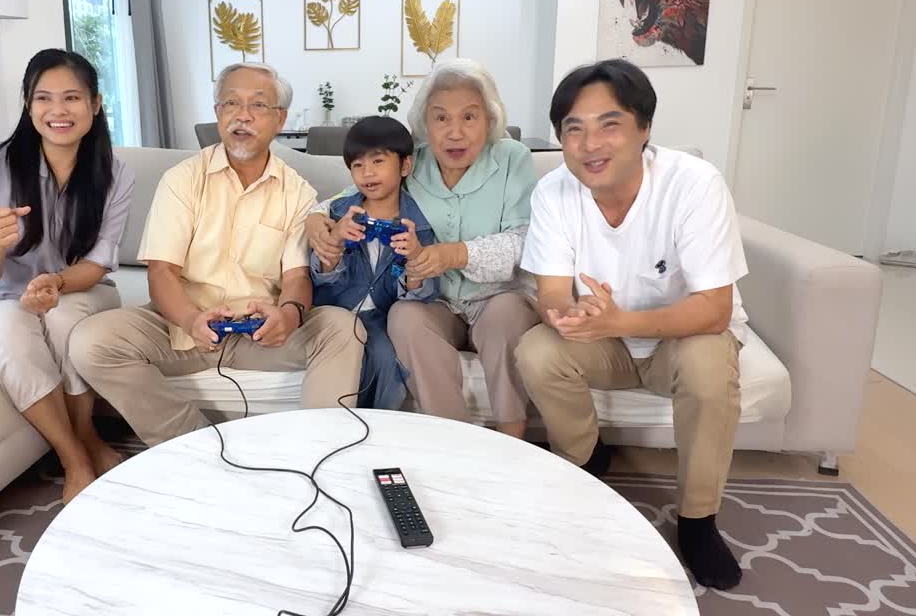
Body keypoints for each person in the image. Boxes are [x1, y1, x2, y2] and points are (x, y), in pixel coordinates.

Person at [516, 58, 748, 589]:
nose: (590, 143)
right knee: (537, 349)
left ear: (644, 129)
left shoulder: (694, 184)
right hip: (607, 343)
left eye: (609, 124)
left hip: (681, 341)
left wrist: (623, 318)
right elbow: (550, 289)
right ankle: (587, 459)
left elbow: (714, 308)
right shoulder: (553, 191)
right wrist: (570, 315)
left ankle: (697, 520)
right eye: (573, 129)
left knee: (709, 361)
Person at [69, 63, 363, 446]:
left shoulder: (298, 192)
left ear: (280, 120)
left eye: (257, 106)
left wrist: (287, 316)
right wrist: (192, 320)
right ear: (217, 113)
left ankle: (319, 451)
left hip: (261, 334)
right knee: (90, 342)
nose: (242, 115)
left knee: (343, 326)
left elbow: (296, 279)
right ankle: (194, 446)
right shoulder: (182, 179)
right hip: (183, 327)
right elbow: (161, 272)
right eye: (231, 104)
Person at [307, 59, 541, 437]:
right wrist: (315, 218)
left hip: (499, 295)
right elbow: (356, 193)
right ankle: (449, 437)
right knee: (405, 317)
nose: (455, 133)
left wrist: (452, 254)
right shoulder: (412, 162)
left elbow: (525, 241)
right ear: (424, 124)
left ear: (490, 120)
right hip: (438, 301)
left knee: (505, 316)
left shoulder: (512, 158)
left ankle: (512, 438)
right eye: (441, 118)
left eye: (469, 117)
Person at [0, 49, 135, 503]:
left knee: (62, 317)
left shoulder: (114, 174)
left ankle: (85, 432)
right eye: (44, 98)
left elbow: (96, 264)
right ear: (27, 104)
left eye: (72, 98)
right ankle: (75, 456)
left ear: (95, 105)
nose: (58, 111)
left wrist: (55, 283)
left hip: (78, 289)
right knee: (10, 323)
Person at [310, 116, 438, 410]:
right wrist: (336, 242)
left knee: (384, 356)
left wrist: (415, 258)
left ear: (405, 165)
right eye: (357, 165)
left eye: (378, 161)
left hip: (380, 316)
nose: (367, 172)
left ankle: (378, 429)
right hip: (333, 310)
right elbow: (320, 281)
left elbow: (420, 294)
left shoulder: (418, 224)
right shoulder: (339, 212)